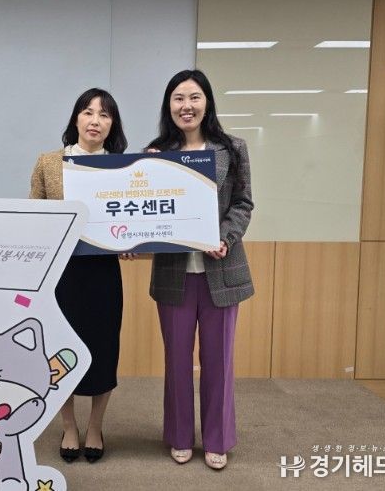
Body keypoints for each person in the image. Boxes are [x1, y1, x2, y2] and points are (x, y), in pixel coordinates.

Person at [147, 70, 254, 470]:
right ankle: (179, 436)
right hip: (174, 273)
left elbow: (243, 203)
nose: (186, 106)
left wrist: (225, 237)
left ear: (207, 102)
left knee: (218, 360)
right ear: (169, 106)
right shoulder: (155, 153)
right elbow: (146, 212)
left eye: (194, 97)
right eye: (178, 98)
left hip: (220, 270)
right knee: (176, 361)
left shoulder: (233, 149)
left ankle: (217, 439)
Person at [30, 88, 127, 464]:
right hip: (61, 274)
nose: (95, 121)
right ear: (76, 118)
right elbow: (35, 215)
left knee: (104, 348)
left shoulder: (123, 167)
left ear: (112, 124)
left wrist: (131, 240)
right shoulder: (49, 162)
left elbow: (132, 219)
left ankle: (96, 426)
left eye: (104, 115)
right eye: (88, 112)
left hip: (103, 271)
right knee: (60, 349)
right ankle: (69, 425)